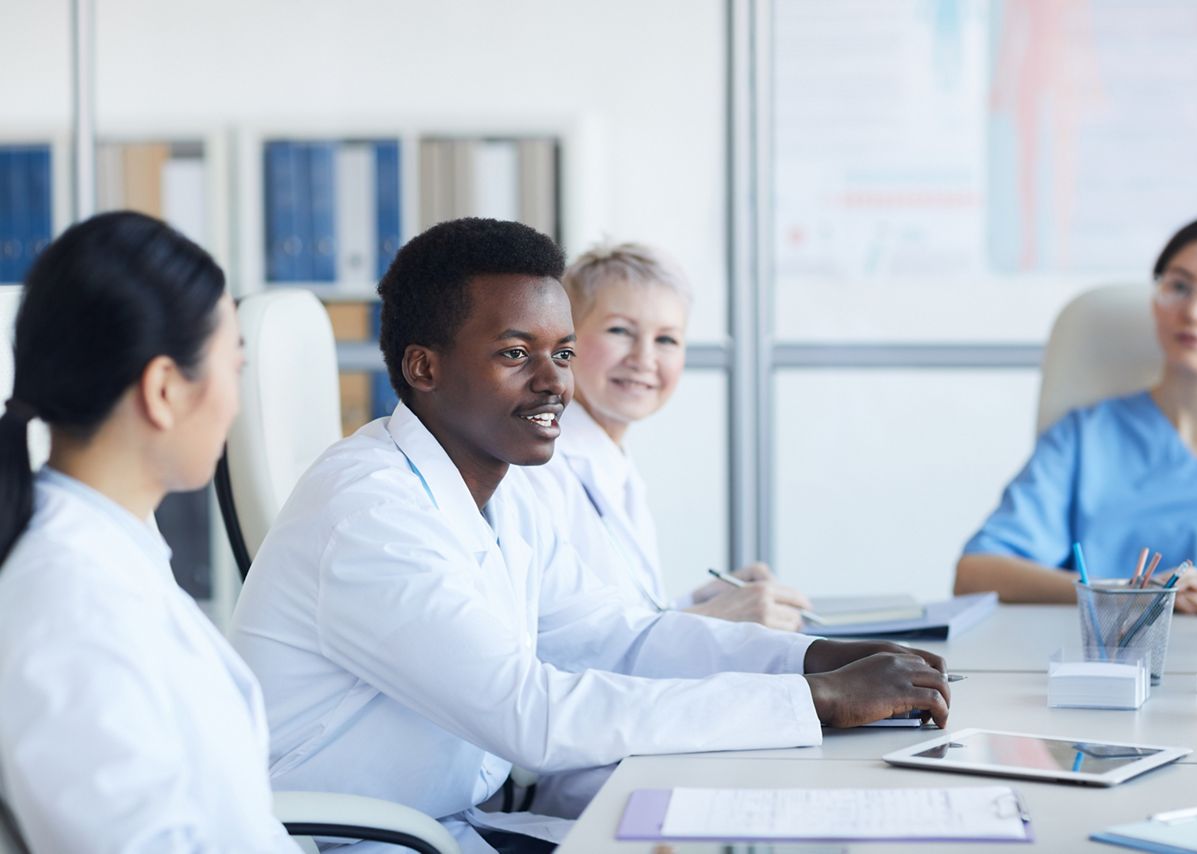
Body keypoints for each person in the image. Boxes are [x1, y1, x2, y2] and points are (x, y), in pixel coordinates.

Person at [230, 218, 951, 854]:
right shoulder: (370, 513)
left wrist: (809, 659)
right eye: (517, 354)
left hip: (447, 822)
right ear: (424, 367)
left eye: (564, 353)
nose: (555, 384)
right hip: (359, 841)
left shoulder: (500, 494)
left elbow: (622, 638)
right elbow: (534, 715)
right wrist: (819, 700)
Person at [0, 212, 298, 852]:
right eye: (234, 368)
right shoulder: (70, 602)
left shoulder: (108, 553)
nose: (237, 404)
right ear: (164, 389)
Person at [955, 212, 1197, 615]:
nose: (1195, 312)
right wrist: (1133, 592)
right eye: (1178, 286)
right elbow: (975, 574)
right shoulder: (1084, 437)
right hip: (1103, 669)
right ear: (1156, 300)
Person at [521, 241, 811, 630]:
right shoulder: (536, 466)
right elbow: (554, 641)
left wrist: (696, 604)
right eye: (621, 330)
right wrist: (708, 620)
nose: (644, 359)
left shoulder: (613, 460)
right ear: (565, 341)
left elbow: (617, 615)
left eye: (666, 340)